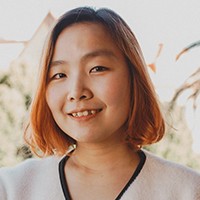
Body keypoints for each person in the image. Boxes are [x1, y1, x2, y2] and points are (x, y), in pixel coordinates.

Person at [0, 6, 200, 200]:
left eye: (97, 69)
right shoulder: (11, 188)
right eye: (59, 75)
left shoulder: (187, 190)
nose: (77, 92)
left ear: (134, 77)